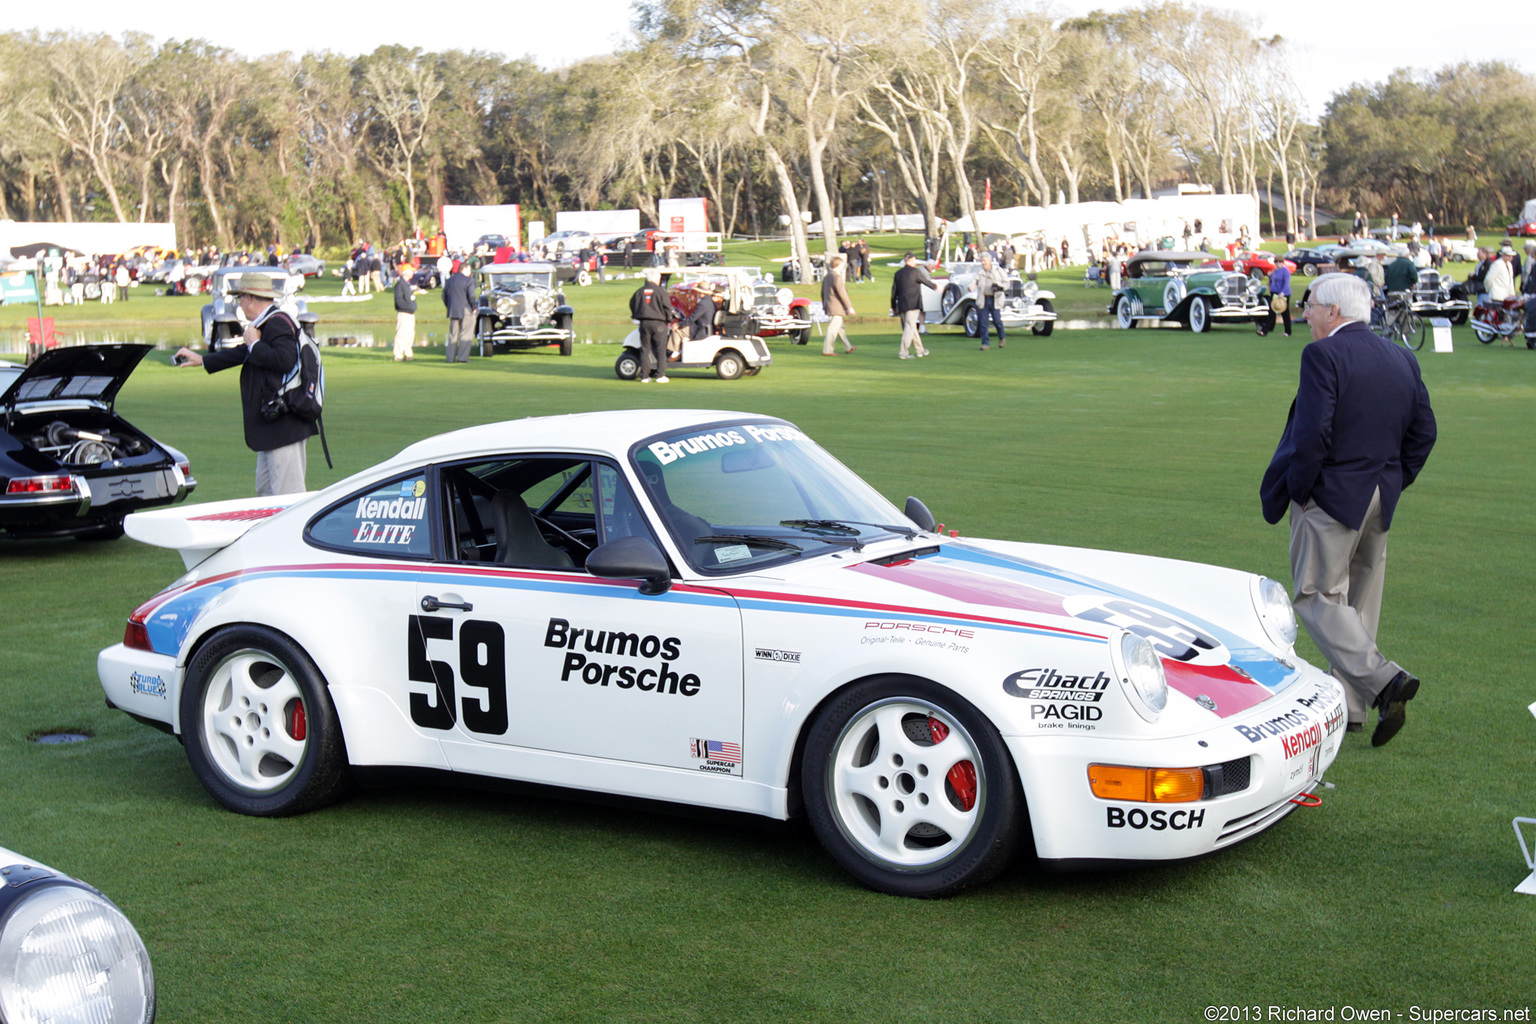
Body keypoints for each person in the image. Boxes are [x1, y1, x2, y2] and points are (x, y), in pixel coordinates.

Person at [1260, 272, 1436, 746]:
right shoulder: (1401, 356)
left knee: (1316, 596)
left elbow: (1312, 433)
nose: (1305, 312)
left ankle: (1383, 680)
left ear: (1334, 311)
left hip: (1333, 495)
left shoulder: (1323, 354)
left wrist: (1302, 489)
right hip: (1381, 495)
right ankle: (1351, 709)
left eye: (1311, 304)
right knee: (1358, 603)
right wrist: (1395, 480)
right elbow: (1424, 433)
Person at [174, 273, 314, 497]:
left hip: (285, 425)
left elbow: (284, 360)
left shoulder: (277, 322)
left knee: (288, 496)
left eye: (240, 297)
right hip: (273, 426)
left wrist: (255, 343)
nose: (239, 303)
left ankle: (290, 533)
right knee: (266, 495)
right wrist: (202, 360)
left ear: (250, 298)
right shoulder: (265, 323)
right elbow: (244, 353)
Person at [629, 268, 673, 382]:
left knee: (645, 349)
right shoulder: (661, 292)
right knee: (660, 350)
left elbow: (632, 304)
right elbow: (668, 307)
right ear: (657, 279)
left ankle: (644, 376)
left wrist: (635, 316)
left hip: (644, 323)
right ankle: (660, 375)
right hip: (659, 323)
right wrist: (669, 319)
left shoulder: (639, 292)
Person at [890, 252, 936, 359]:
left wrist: (893, 305)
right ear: (910, 260)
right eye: (915, 259)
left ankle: (920, 350)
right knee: (909, 328)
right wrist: (936, 287)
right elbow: (927, 282)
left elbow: (894, 291)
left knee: (912, 327)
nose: (916, 261)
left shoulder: (898, 273)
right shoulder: (915, 272)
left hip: (901, 304)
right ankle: (903, 352)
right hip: (913, 304)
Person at [971, 251, 1010, 351]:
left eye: (984, 260)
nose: (983, 263)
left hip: (995, 299)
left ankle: (1001, 337)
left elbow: (1006, 282)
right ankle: (985, 343)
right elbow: (974, 281)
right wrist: (971, 286)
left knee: (997, 320)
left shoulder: (998, 270)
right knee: (983, 322)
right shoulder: (980, 272)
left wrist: (1000, 287)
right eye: (982, 261)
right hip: (984, 299)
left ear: (989, 260)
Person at [820, 254, 856, 355]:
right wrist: (849, 307)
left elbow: (822, 293)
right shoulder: (837, 277)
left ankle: (848, 347)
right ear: (838, 265)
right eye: (842, 265)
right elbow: (842, 293)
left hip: (830, 305)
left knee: (840, 328)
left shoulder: (827, 276)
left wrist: (824, 304)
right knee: (833, 329)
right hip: (836, 307)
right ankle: (827, 350)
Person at [443, 261, 477, 363]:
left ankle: (450, 358)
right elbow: (471, 296)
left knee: (453, 334)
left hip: (453, 310)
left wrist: (449, 306)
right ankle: (462, 357)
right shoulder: (468, 281)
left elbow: (444, 296)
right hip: (466, 309)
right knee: (466, 333)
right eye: (469, 270)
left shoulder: (449, 281)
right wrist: (474, 306)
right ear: (465, 269)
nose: (470, 272)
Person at [1259, 255, 1293, 337]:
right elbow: (1272, 281)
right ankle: (1265, 330)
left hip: (1283, 294)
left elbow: (1286, 283)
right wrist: (1270, 276)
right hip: (1274, 293)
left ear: (1282, 262)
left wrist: (1282, 293)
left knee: (1285, 313)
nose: (1278, 264)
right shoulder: (1274, 271)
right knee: (1272, 311)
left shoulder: (1285, 271)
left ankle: (1288, 331)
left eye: (1280, 262)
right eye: (1276, 262)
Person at [393, 261, 418, 361]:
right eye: (411, 271)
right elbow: (398, 300)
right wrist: (408, 307)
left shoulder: (407, 284)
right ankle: (398, 354)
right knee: (401, 334)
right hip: (404, 313)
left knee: (410, 334)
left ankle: (408, 353)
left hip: (410, 313)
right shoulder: (400, 284)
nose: (413, 273)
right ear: (406, 272)